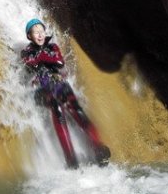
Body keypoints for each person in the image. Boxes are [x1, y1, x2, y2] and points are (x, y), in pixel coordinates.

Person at [21, 18, 111, 169]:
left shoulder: (53, 47)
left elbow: (59, 63)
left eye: (41, 31)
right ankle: (71, 159)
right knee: (57, 110)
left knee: (77, 110)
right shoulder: (26, 51)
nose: (40, 34)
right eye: (35, 32)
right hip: (42, 90)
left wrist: (42, 57)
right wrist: (43, 58)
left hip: (59, 85)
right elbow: (30, 63)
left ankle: (97, 148)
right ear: (29, 36)